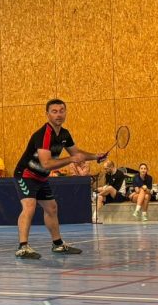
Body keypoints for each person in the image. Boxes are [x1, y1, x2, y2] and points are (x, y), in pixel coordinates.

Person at [13, 99, 105, 259]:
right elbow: (47, 163)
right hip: (26, 175)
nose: (58, 115)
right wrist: (70, 160)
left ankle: (58, 244)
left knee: (52, 208)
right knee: (29, 206)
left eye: (62, 111)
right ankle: (23, 247)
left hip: (41, 177)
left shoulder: (64, 134)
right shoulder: (43, 135)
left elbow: (76, 154)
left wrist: (95, 156)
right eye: (54, 111)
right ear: (47, 114)